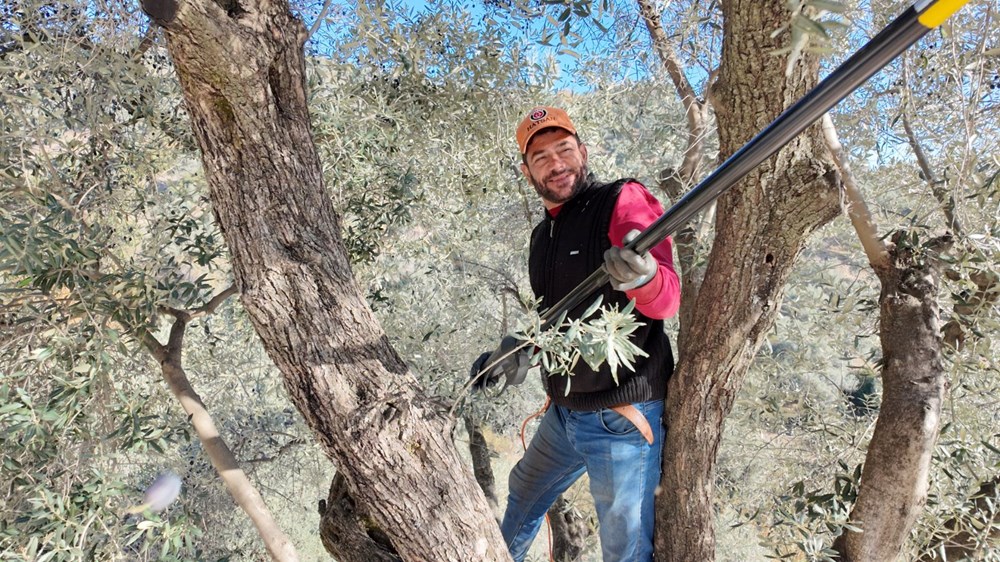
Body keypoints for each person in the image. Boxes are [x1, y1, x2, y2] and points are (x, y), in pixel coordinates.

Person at [471, 106, 681, 562]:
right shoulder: (541, 236)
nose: (556, 163)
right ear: (527, 171)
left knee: (623, 551)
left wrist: (644, 278)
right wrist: (516, 350)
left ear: (582, 152)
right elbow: (557, 320)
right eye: (541, 156)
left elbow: (666, 300)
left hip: (619, 416)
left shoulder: (622, 199)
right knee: (523, 490)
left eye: (564, 149)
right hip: (565, 412)